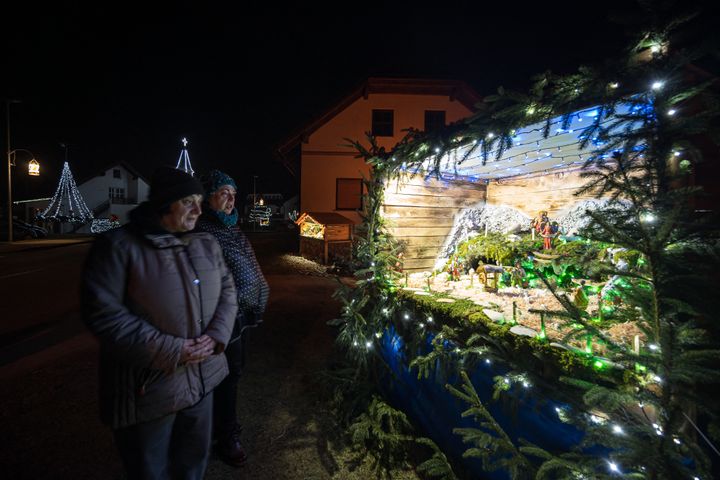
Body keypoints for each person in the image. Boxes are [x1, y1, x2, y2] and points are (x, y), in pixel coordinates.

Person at [81, 166, 238, 480]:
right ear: (165, 204)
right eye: (187, 202)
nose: (198, 209)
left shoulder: (205, 244)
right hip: (150, 389)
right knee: (150, 468)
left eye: (199, 200)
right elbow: (105, 316)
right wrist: (172, 350)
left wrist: (216, 335)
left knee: (193, 461)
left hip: (202, 378)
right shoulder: (118, 247)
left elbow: (228, 291)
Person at [195, 169, 270, 467]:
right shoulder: (202, 230)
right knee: (222, 377)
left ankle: (220, 430)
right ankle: (225, 437)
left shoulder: (232, 227)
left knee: (233, 374)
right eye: (223, 193)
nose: (230, 199)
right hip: (220, 318)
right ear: (208, 196)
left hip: (242, 316)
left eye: (233, 194)